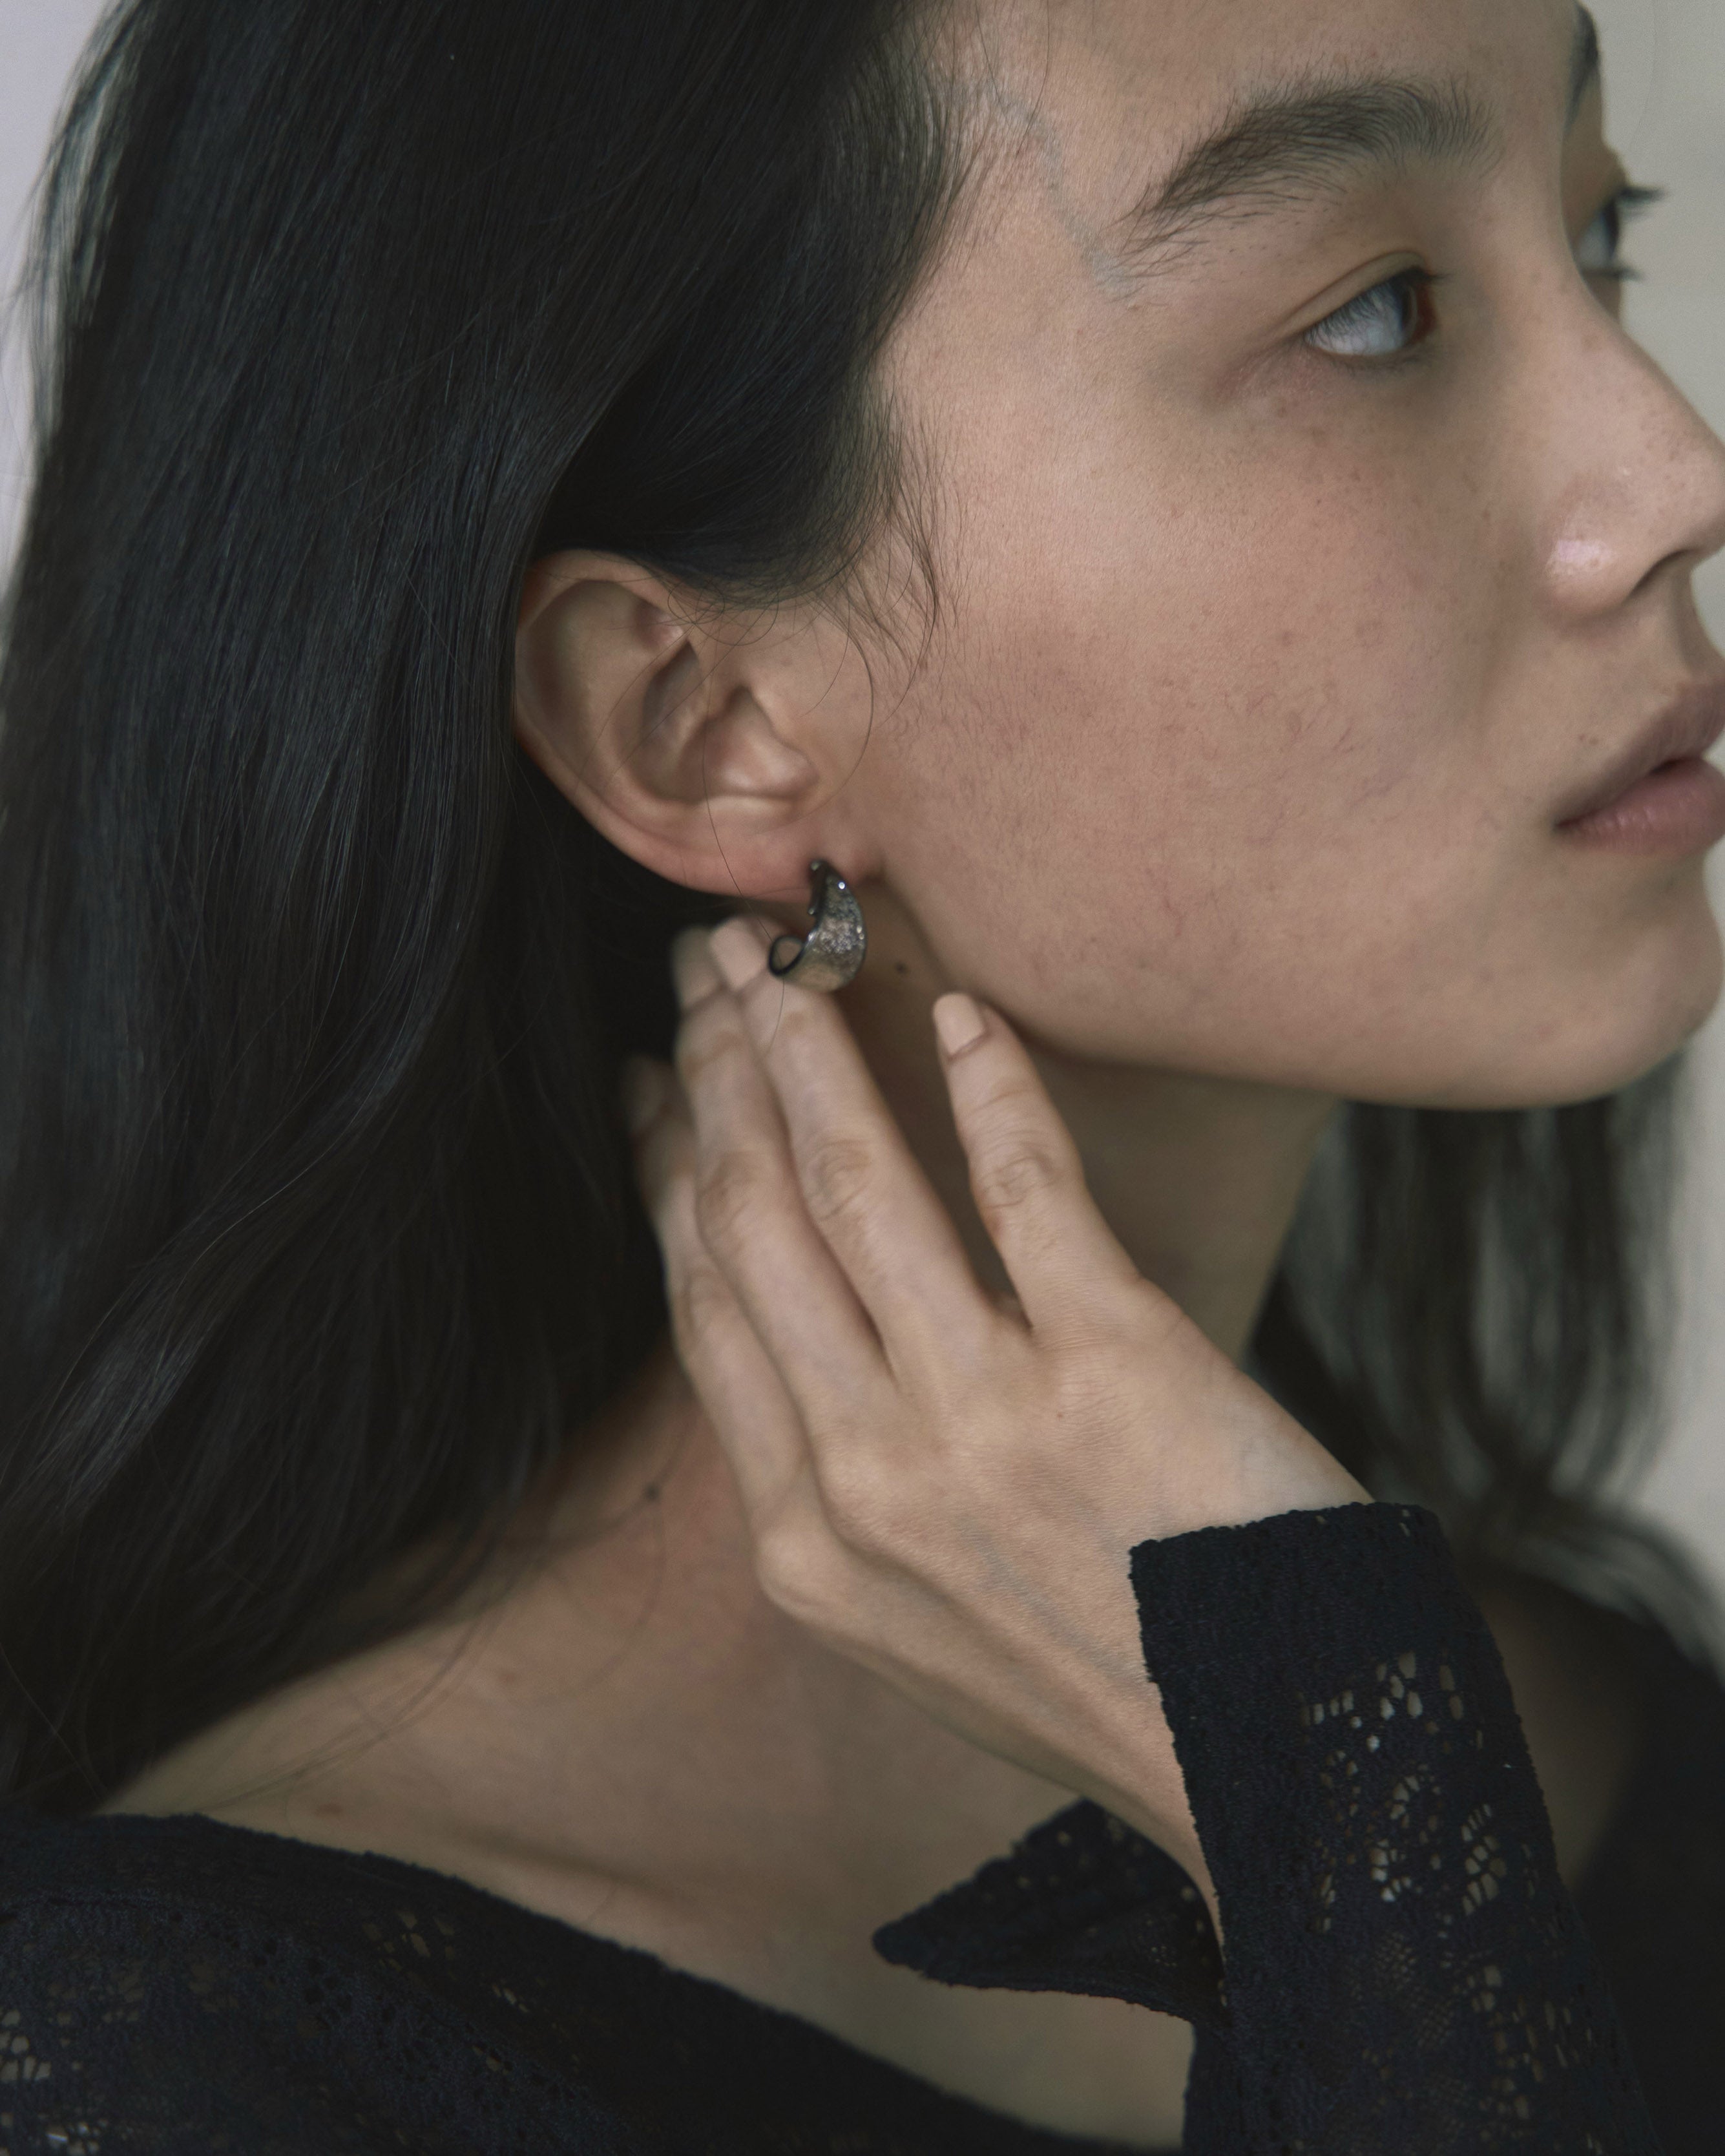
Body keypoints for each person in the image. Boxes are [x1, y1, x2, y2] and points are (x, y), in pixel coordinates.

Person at [1, 0, 1722, 2147]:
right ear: (703, 719)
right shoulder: (193, 2073)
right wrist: (1336, 1812)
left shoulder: (1627, 1762)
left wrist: (1331, 1771)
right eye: (1374, 312)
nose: (1677, 474)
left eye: (1601, 230)